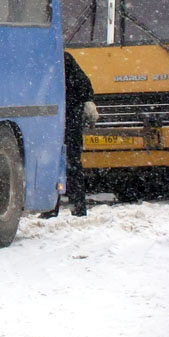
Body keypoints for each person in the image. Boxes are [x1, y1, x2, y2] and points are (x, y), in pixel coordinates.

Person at [44, 53, 98, 218]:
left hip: (57, 120)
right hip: (67, 119)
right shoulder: (62, 58)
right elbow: (85, 85)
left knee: (54, 164)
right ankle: (76, 207)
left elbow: (83, 85)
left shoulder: (53, 58)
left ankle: (53, 208)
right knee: (71, 164)